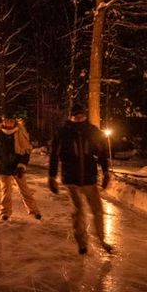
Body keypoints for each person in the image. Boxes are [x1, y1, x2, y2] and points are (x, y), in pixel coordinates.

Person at [48, 103, 112, 255]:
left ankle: (102, 239)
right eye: (75, 116)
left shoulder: (93, 131)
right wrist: (51, 176)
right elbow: (54, 156)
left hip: (90, 178)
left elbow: (102, 153)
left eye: (81, 115)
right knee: (78, 211)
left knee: (97, 210)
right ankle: (82, 243)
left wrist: (106, 172)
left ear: (84, 115)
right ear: (71, 117)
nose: (78, 118)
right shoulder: (63, 133)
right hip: (71, 178)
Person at [0, 112, 41, 221]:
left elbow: (26, 151)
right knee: (6, 191)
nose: (9, 123)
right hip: (4, 166)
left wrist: (22, 165)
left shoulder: (21, 133)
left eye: (11, 121)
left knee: (24, 190)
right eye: (6, 120)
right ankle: (5, 212)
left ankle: (35, 210)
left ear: (15, 122)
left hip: (18, 167)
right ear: (3, 121)